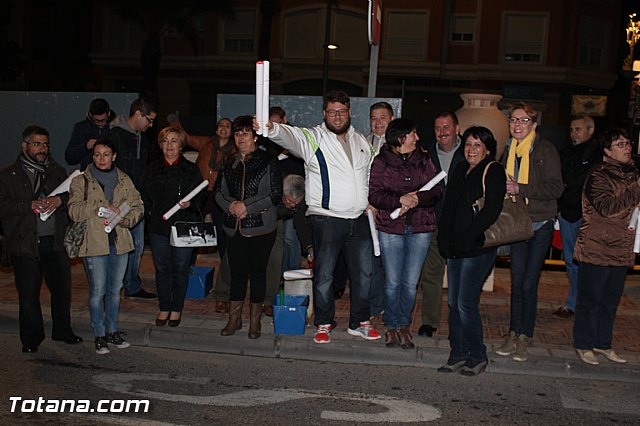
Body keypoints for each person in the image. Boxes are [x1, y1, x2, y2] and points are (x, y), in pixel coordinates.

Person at [262, 90, 381, 344]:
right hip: (326, 219)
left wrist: (371, 202)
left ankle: (359, 322)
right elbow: (288, 135)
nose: (337, 116)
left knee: (363, 274)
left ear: (349, 112)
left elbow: (370, 175)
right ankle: (323, 323)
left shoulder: (361, 140)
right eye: (331, 112)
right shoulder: (313, 137)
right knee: (324, 274)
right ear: (324, 114)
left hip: (358, 218)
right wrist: (271, 128)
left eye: (341, 111)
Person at [0, 125, 82, 353]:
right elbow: (2, 205)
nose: (42, 149)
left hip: (54, 241)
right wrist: (28, 205)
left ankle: (63, 331)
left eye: (45, 144)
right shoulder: (8, 175)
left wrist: (60, 201)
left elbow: (73, 195)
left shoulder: (56, 170)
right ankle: (31, 339)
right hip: (25, 243)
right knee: (28, 294)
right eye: (37, 144)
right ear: (24, 145)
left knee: (62, 290)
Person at [495, 102, 563, 362]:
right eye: (513, 120)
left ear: (534, 125)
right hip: (516, 223)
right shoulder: (509, 150)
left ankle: (525, 336)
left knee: (528, 283)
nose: (517, 124)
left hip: (539, 223)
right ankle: (513, 332)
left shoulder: (545, 150)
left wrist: (520, 189)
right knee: (516, 282)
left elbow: (556, 188)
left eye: (523, 120)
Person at [437, 127, 506, 376]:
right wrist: (443, 238)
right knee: (454, 303)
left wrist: (468, 237)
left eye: (477, 145)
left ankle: (477, 354)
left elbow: (491, 210)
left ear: (488, 148)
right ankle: (458, 353)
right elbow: (449, 206)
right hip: (455, 248)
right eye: (467, 144)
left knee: (465, 303)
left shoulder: (493, 170)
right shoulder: (459, 169)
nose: (471, 149)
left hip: (477, 248)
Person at [368, 118, 441, 349]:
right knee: (393, 282)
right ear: (400, 138)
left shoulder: (424, 158)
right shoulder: (381, 161)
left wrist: (418, 198)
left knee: (410, 283)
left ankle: (404, 326)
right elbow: (375, 196)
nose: (417, 138)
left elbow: (437, 190)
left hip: (420, 228)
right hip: (391, 228)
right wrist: (399, 199)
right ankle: (390, 325)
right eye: (412, 134)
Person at [67, 139, 144, 354]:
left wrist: (124, 219)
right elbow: (73, 210)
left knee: (114, 290)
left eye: (106, 154)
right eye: (98, 154)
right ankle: (99, 334)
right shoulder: (81, 181)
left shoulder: (124, 179)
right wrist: (102, 208)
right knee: (97, 290)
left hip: (119, 243)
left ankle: (112, 331)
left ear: (114, 156)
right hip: (94, 244)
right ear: (93, 156)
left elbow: (138, 205)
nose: (102, 159)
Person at [572, 128, 640, 366]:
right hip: (597, 246)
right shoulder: (599, 175)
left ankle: (603, 343)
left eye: (628, 142)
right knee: (590, 300)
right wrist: (636, 191)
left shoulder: (633, 174)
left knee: (611, 301)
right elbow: (607, 208)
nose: (627, 147)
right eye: (620, 144)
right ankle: (583, 344)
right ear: (607, 151)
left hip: (622, 247)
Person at [215, 115, 282, 339]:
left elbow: (274, 194)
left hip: (261, 227)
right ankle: (234, 320)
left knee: (258, 273)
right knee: (236, 274)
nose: (241, 137)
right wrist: (231, 206)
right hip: (234, 226)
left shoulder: (267, 159)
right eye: (237, 133)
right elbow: (218, 193)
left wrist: (246, 207)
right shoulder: (228, 161)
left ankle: (255, 323)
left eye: (245, 132)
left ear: (255, 136)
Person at [141, 127, 206, 328]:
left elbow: (202, 196)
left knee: (180, 269)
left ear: (181, 144)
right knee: (162, 269)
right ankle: (164, 307)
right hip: (159, 227)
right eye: (165, 141)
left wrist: (191, 204)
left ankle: (176, 308)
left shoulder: (190, 169)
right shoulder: (151, 169)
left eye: (174, 141)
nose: (169, 146)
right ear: (161, 145)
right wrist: (150, 214)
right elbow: (143, 196)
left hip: (183, 227)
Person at [103, 96, 158, 299]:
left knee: (137, 245)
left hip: (137, 201)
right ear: (137, 114)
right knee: (117, 245)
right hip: (117, 201)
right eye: (149, 120)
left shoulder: (141, 137)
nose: (151, 125)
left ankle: (132, 285)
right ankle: (114, 286)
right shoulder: (114, 135)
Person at [417, 112, 465, 338]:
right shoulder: (425, 154)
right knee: (431, 275)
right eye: (438, 128)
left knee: (461, 278)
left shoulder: (471, 150)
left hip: (462, 227)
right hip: (433, 224)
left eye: (447, 127)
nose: (442, 132)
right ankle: (429, 322)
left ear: (457, 128)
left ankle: (460, 320)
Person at [553, 114, 601, 318]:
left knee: (587, 262)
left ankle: (586, 304)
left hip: (588, 216)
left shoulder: (598, 154)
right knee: (571, 261)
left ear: (590, 130)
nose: (574, 133)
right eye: (572, 129)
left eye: (578, 129)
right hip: (567, 213)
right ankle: (574, 303)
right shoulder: (566, 152)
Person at [366, 101, 395, 320]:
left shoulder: (399, 146)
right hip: (366, 211)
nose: (377, 123)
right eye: (374, 118)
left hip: (391, 212)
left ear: (391, 120)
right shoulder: (362, 142)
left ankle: (392, 306)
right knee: (371, 261)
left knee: (391, 264)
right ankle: (376, 305)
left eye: (382, 118)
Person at [65, 98, 114, 170]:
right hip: (88, 175)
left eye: (103, 120)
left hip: (111, 174)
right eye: (96, 121)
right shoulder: (81, 128)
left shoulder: (115, 128)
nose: (100, 124)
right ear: (90, 115)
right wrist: (85, 146)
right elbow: (69, 158)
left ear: (108, 114)